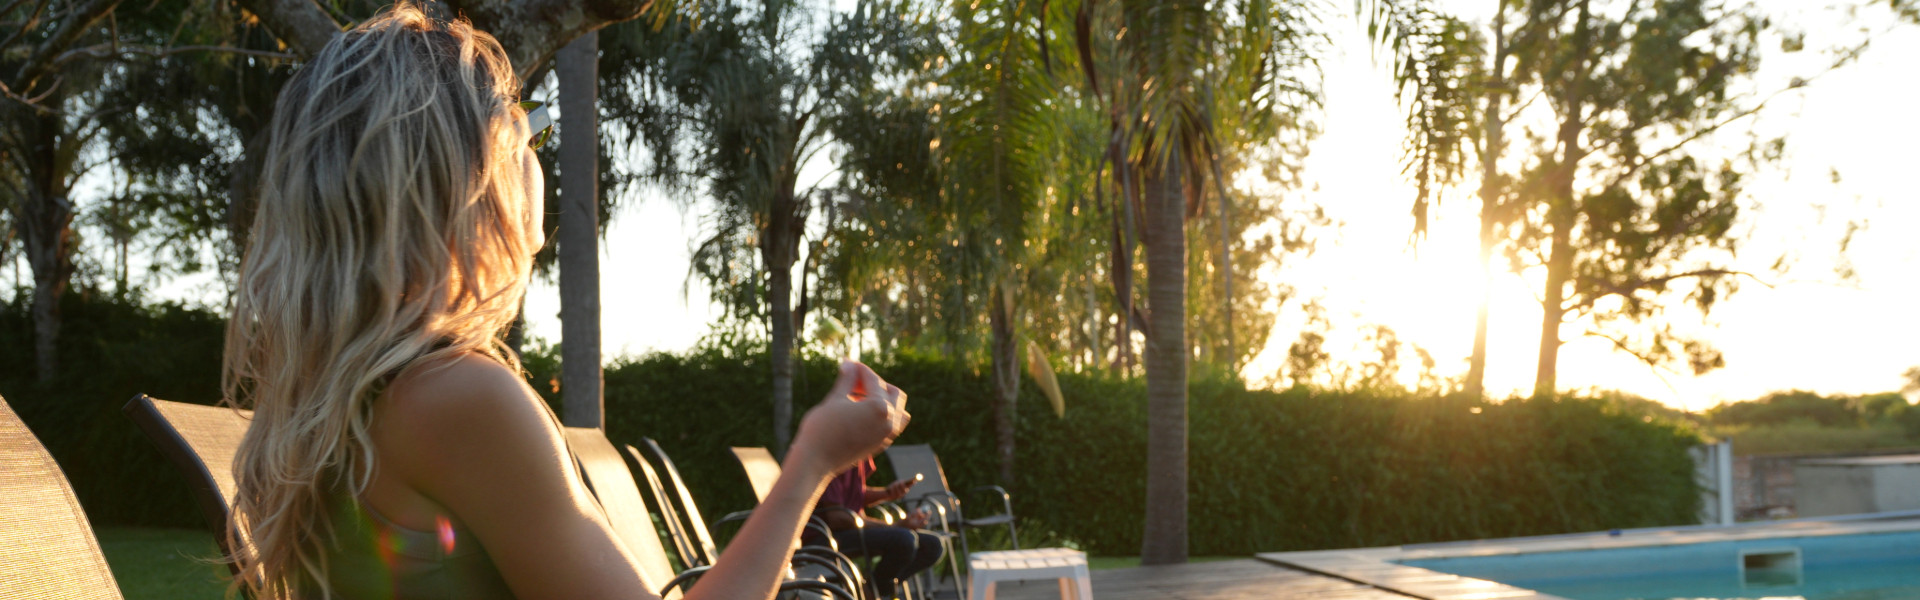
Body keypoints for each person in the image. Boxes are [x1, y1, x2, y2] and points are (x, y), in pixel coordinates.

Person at [221, 5, 910, 599]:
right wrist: (813, 460)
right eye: (529, 131)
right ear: (467, 184)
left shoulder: (343, 397)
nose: (535, 155)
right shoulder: (456, 397)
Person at [813, 458, 944, 599]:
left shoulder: (862, 453)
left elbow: (857, 494)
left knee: (932, 545)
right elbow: (837, 518)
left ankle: (870, 591)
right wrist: (894, 526)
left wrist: (887, 493)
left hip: (852, 530)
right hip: (824, 535)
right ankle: (872, 594)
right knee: (903, 539)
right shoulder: (836, 455)